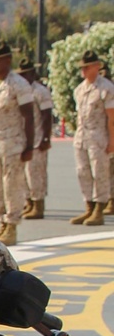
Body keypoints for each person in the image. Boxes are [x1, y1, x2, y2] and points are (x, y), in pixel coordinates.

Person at [0, 39, 35, 244]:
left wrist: (30, 145)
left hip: (13, 143)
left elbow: (29, 116)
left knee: (12, 185)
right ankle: (2, 222)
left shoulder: (19, 85)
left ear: (8, 60)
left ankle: (12, 225)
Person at [71, 48, 114, 226]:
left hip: (99, 136)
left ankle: (99, 209)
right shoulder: (79, 90)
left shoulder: (106, 88)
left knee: (100, 172)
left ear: (97, 67)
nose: (84, 71)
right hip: (82, 137)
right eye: (83, 67)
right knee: (83, 172)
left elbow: (111, 117)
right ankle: (88, 205)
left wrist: (112, 140)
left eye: (87, 67)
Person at [16, 57, 53, 220]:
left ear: (32, 73)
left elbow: (47, 115)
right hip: (24, 140)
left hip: (38, 139)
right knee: (24, 175)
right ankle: (29, 202)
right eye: (21, 74)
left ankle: (38, 205)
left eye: (26, 73)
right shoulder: (22, 91)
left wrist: (46, 138)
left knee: (36, 174)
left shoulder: (40, 91)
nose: (24, 77)